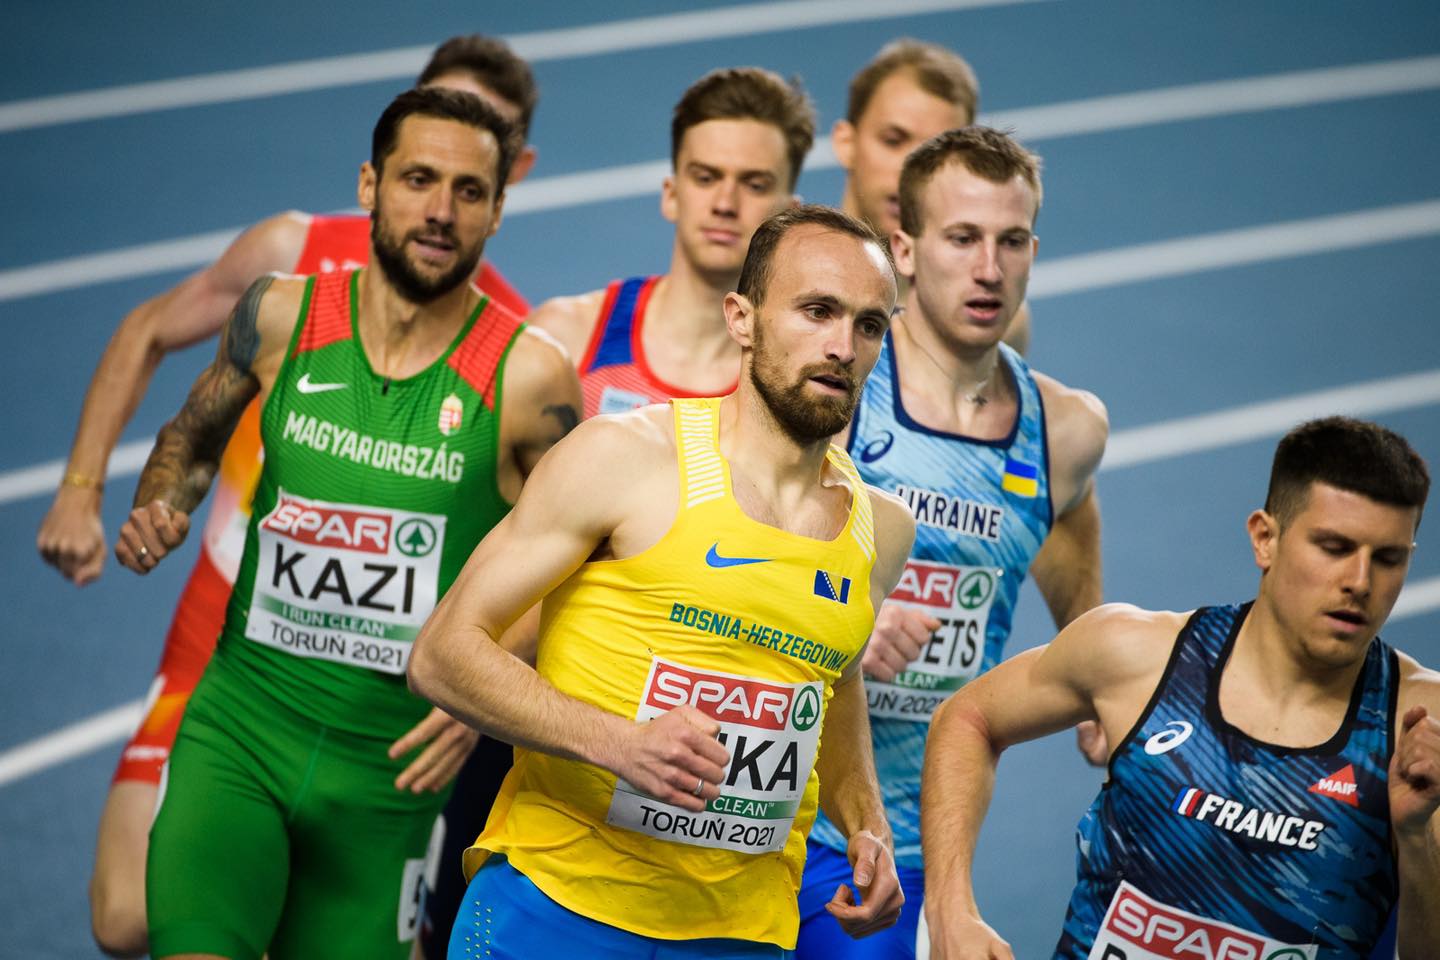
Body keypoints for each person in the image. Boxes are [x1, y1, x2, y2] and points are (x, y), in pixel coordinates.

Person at [32, 35, 538, 958]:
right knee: (126, 916)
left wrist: (485, 686)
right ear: (374, 178)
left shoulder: (521, 363)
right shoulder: (284, 285)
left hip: (384, 742)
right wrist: (109, 492)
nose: (440, 204)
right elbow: (176, 397)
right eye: (419, 173)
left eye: (471, 183)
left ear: (505, 193)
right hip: (233, 662)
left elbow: (566, 553)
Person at [408, 205, 916, 958]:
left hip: (738, 935)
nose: (842, 346)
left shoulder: (883, 529)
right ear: (742, 319)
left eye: (869, 325)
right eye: (817, 311)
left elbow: (831, 679)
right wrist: (620, 745)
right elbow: (442, 654)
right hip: (554, 912)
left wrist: (867, 822)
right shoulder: (624, 459)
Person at [921, 416, 1440, 959]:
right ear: (1265, 538)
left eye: (1389, 559)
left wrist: (1415, 837)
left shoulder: (1418, 728)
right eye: (1334, 547)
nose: (1360, 581)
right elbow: (968, 717)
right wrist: (951, 911)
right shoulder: (1140, 657)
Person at [795, 127, 1107, 959]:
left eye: (1012, 241)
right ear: (904, 249)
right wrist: (841, 617)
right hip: (776, 809)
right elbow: (727, 544)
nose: (989, 268)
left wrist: (1093, 664)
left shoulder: (1065, 430)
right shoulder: (838, 389)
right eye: (963, 238)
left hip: (910, 846)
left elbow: (1069, 520)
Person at [529, 66, 813, 417]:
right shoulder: (564, 340)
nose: (725, 204)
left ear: (788, 217)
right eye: (705, 178)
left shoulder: (798, 383)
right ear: (671, 195)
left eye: (754, 185)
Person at [833, 39, 1031, 355]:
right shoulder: (777, 287)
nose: (910, 171)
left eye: (935, 153)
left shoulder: (997, 321)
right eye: (893, 140)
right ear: (846, 144)